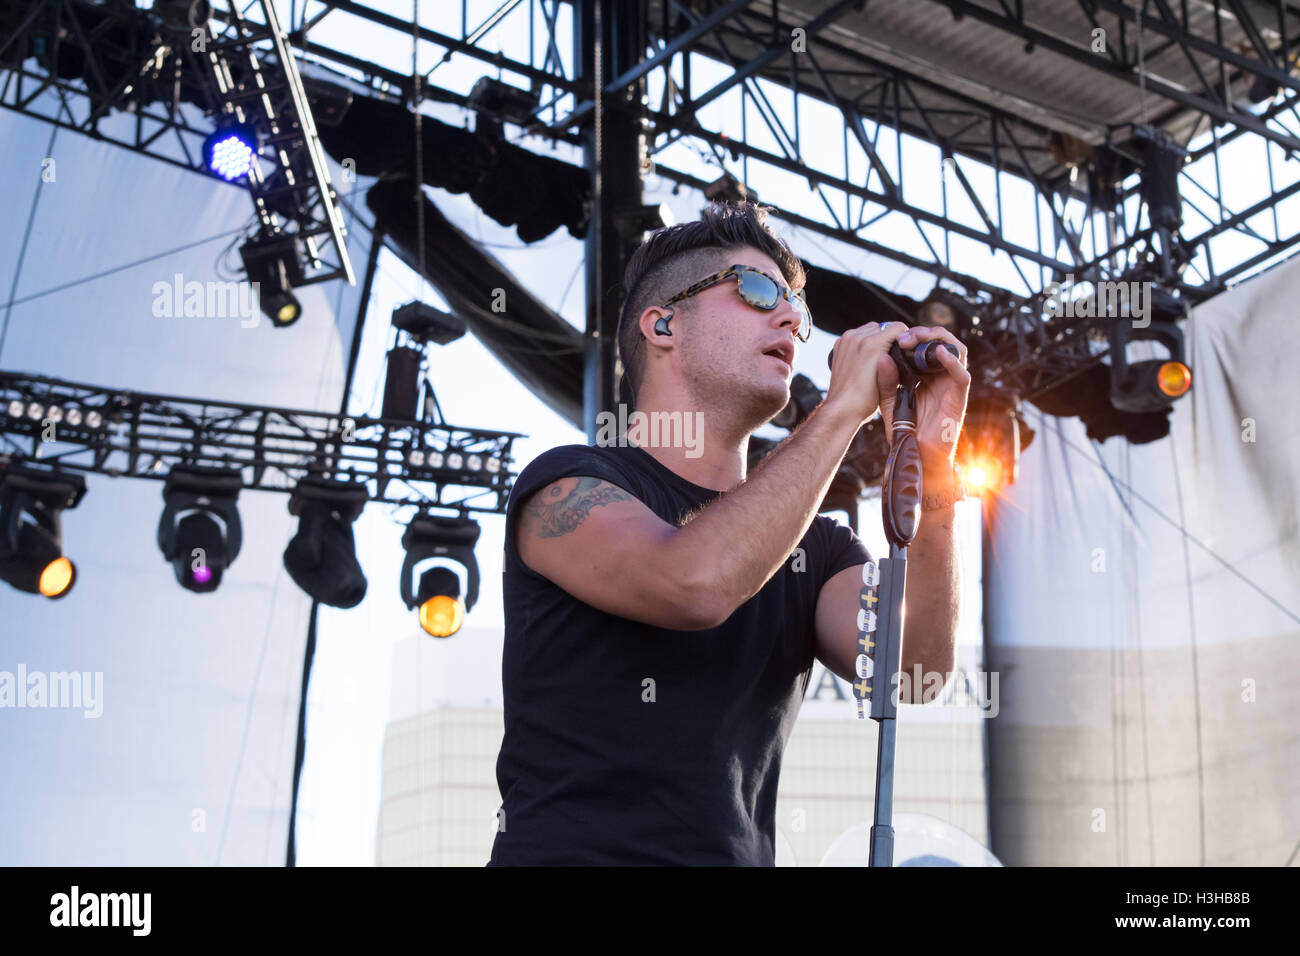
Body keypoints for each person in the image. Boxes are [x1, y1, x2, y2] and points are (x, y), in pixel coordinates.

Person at [488, 200, 970, 866]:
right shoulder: (569, 484)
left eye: (797, 311)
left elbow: (912, 673)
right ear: (663, 325)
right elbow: (693, 584)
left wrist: (935, 469)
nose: (789, 321)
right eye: (757, 290)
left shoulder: (817, 549)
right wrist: (842, 411)